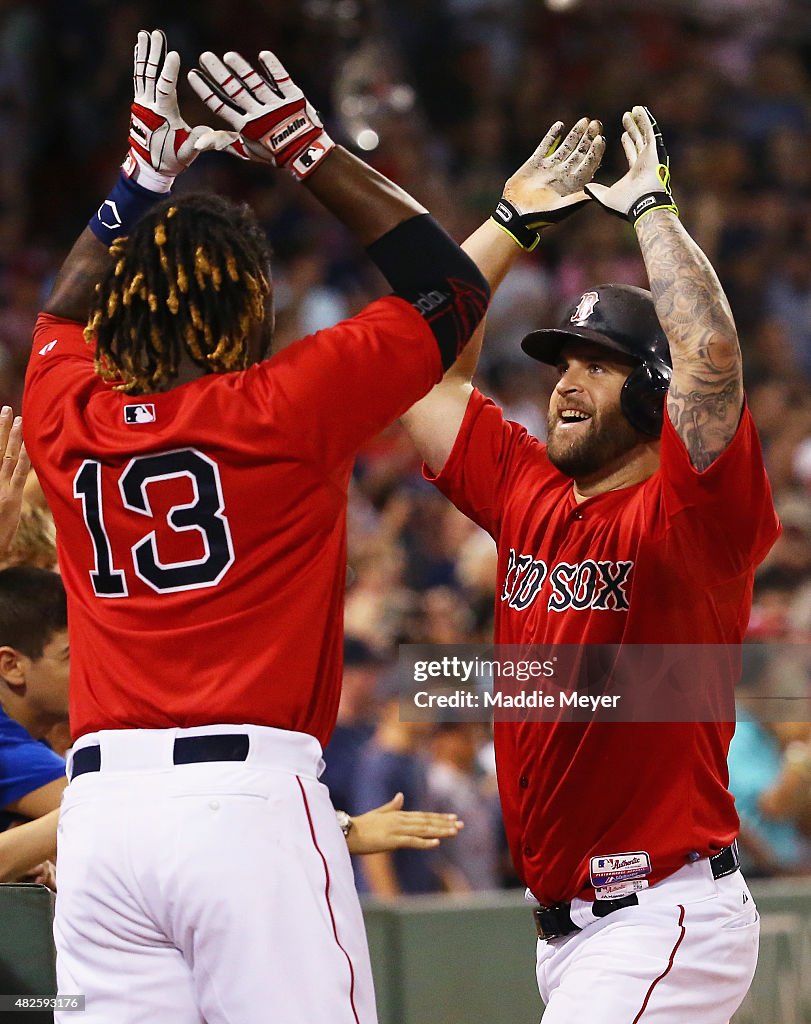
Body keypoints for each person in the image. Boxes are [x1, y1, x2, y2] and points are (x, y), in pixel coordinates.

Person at [21, 24, 517, 1023]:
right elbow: (453, 291)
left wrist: (137, 178)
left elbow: (56, 319)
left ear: (125, 307)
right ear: (249, 303)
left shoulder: (65, 413)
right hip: (245, 806)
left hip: (103, 817)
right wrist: (309, 150)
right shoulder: (289, 402)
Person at [401, 106, 779, 1022]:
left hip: (659, 913)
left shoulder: (694, 515)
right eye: (559, 361)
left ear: (652, 390)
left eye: (598, 365)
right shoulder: (527, 493)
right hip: (566, 932)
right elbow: (424, 378)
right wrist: (508, 222)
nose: (563, 383)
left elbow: (712, 355)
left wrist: (651, 209)